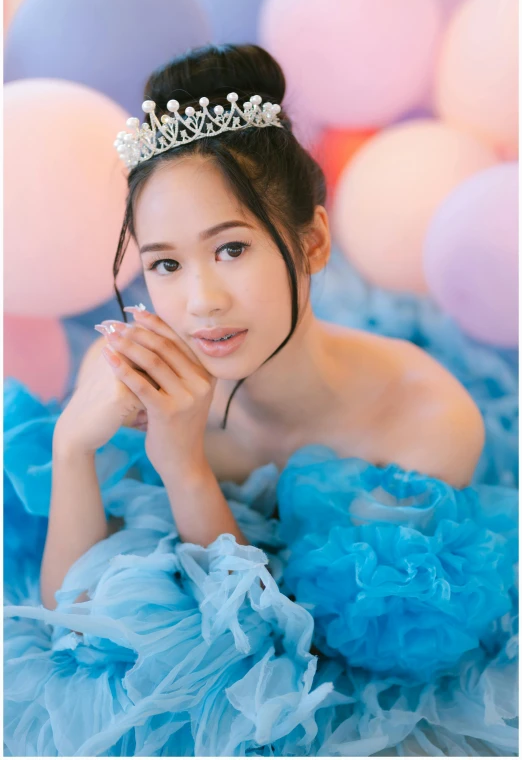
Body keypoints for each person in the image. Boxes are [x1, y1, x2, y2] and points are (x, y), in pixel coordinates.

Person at [3, 44, 518, 757]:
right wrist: (71, 450)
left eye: (232, 249)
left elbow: (288, 664)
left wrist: (185, 468)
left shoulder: (423, 426)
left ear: (311, 243)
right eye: (166, 264)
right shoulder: (127, 370)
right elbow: (72, 621)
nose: (201, 303)